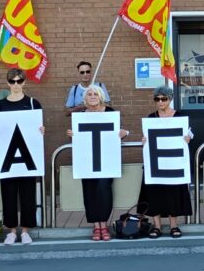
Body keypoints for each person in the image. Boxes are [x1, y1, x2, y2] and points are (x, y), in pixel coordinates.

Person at [0, 68, 44, 245]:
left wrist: (41, 131)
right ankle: (11, 230)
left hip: (27, 154)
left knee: (28, 193)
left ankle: (26, 230)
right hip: (8, 155)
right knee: (8, 193)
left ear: (24, 82)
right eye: (12, 82)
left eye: (19, 81)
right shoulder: (1, 105)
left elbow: (37, 128)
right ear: (8, 83)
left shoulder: (34, 103)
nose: (16, 85)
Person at [66, 86, 129, 241]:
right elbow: (79, 138)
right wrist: (71, 135)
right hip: (87, 160)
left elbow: (120, 131)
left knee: (103, 189)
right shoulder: (80, 115)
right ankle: (96, 226)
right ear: (84, 98)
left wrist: (124, 133)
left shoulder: (109, 112)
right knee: (89, 191)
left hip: (106, 160)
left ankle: (104, 224)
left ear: (101, 96)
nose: (92, 96)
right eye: (89, 94)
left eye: (95, 94)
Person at [138, 85, 192, 238]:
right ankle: (157, 227)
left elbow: (189, 132)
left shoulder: (179, 116)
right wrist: (144, 140)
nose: (160, 102)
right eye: (157, 99)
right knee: (154, 193)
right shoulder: (151, 118)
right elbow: (146, 136)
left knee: (173, 194)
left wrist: (189, 137)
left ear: (170, 99)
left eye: (164, 99)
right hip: (155, 162)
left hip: (173, 162)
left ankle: (174, 226)